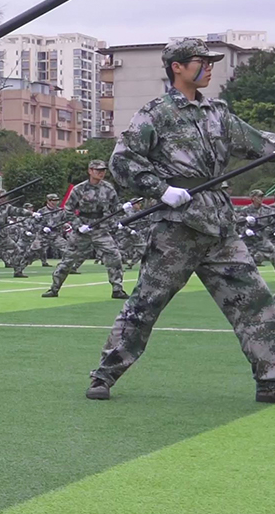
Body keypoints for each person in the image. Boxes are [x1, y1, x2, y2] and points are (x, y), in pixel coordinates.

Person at [85, 38, 275, 402]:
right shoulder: (155, 114)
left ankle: (270, 378)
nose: (209, 68)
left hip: (219, 226)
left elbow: (259, 143)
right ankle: (104, 375)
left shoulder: (218, 112)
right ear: (178, 66)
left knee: (255, 301)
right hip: (178, 228)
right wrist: (162, 189)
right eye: (202, 62)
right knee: (145, 304)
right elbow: (122, 162)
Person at [44, 159, 128, 299]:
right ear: (90, 171)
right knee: (68, 260)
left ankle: (117, 289)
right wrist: (78, 225)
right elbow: (68, 210)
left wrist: (124, 208)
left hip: (101, 229)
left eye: (103, 170)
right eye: (98, 170)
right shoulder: (79, 189)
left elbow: (115, 208)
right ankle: (54, 288)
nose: (101, 173)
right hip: (82, 229)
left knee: (114, 257)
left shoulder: (108, 188)